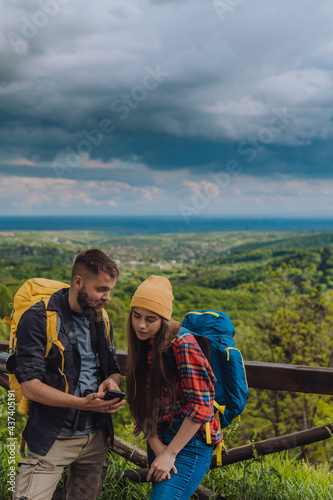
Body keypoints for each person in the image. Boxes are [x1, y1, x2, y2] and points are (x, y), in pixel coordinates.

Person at [14, 248, 126, 500]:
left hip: (95, 437)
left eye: (110, 290)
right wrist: (82, 404)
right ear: (78, 282)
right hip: (53, 436)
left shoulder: (101, 318)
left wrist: (110, 382)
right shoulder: (39, 317)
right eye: (101, 289)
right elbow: (30, 386)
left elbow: (113, 369)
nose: (107, 297)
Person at [126, 275, 223, 500]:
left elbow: (201, 405)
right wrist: (156, 445)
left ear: (164, 320)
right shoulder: (142, 343)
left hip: (190, 439)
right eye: (136, 316)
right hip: (158, 434)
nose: (141, 324)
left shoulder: (182, 345)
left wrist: (170, 453)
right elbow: (140, 400)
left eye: (150, 319)